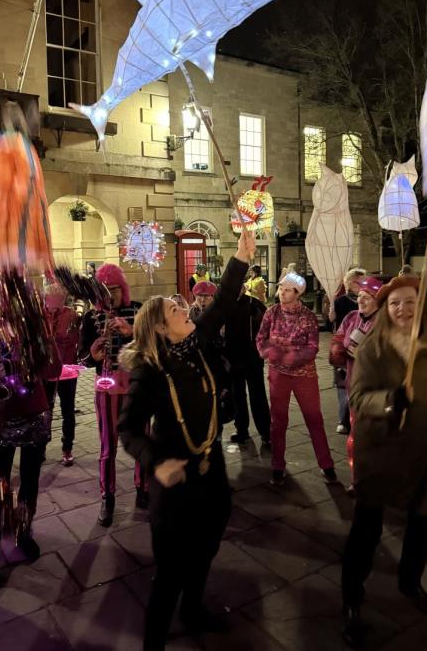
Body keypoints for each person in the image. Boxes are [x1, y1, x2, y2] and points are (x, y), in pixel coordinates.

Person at [118, 230, 254, 651]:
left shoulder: (197, 344)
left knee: (207, 548)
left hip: (210, 469)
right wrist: (155, 462)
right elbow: (128, 429)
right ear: (160, 327)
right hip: (174, 484)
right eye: (175, 308)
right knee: (171, 570)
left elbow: (223, 300)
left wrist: (241, 258)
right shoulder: (150, 371)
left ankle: (193, 609)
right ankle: (155, 638)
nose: (184, 306)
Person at [341, 276, 427, 647]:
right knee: (366, 531)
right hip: (380, 453)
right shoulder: (372, 349)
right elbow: (360, 399)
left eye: (409, 302)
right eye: (394, 303)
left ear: (420, 305)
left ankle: (409, 582)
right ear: (386, 308)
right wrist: (393, 399)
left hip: (424, 452)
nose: (402, 309)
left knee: (424, 524)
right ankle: (352, 597)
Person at [0, 292, 62, 589]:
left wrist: (45, 335)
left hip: (32, 414)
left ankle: (23, 532)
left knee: (29, 482)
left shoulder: (34, 331)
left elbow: (53, 370)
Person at [79, 263, 148, 526]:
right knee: (108, 446)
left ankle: (143, 489)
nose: (111, 295)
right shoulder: (89, 317)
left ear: (123, 288)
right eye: (106, 291)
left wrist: (132, 334)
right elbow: (83, 357)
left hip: (137, 387)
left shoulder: (138, 310)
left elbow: (152, 347)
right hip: (106, 388)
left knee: (142, 439)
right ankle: (107, 497)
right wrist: (92, 355)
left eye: (115, 289)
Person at [256, 270, 336, 486]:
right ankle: (277, 466)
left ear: (298, 293)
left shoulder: (308, 316)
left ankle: (326, 464)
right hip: (278, 374)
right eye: (281, 288)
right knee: (278, 420)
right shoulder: (271, 313)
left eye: (287, 289)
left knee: (314, 419)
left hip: (304, 376)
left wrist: (292, 357)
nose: (282, 292)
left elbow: (312, 347)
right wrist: (269, 353)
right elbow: (261, 338)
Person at [330, 277, 383, 484]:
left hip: (379, 389)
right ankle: (357, 478)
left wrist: (365, 354)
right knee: (357, 435)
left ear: (378, 300)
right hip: (355, 385)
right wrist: (339, 352)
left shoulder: (386, 322)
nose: (361, 300)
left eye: (367, 297)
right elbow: (337, 345)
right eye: (359, 296)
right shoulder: (352, 317)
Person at [224, 285, 270, 445]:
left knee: (257, 395)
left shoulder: (254, 304)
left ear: (243, 288)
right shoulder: (224, 304)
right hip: (233, 359)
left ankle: (266, 431)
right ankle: (241, 430)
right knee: (237, 396)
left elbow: (266, 328)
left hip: (252, 359)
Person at [43, 281, 81, 466]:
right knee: (45, 411)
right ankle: (40, 447)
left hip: (67, 370)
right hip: (46, 371)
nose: (57, 300)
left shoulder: (72, 315)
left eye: (60, 297)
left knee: (68, 411)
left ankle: (67, 448)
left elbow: (79, 341)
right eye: (53, 296)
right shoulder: (40, 316)